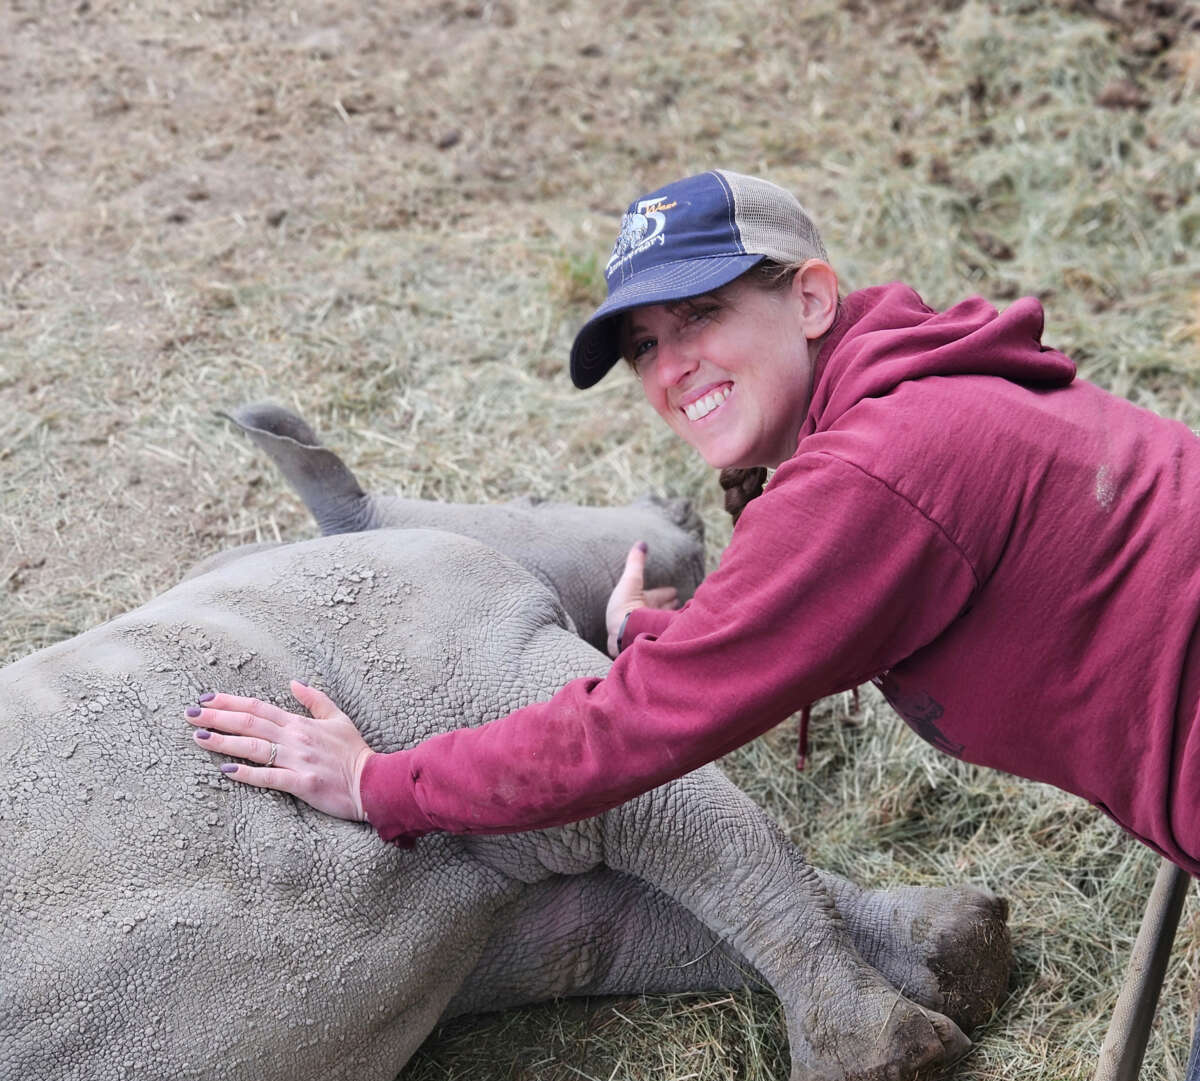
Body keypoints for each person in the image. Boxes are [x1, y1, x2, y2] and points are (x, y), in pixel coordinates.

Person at [183, 168, 1200, 874]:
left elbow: (625, 734)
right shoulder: (912, 391)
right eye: (643, 347)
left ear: (809, 298)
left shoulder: (875, 474)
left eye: (703, 315)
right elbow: (808, 620)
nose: (672, 370)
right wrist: (663, 641)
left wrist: (377, 785)